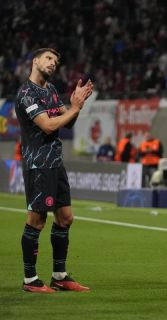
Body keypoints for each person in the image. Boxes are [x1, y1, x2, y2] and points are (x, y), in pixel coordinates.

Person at [15, 48, 93, 293]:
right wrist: (74, 108)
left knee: (65, 218)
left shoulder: (49, 90)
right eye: (48, 58)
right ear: (35, 60)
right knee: (36, 221)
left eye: (56, 61)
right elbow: (48, 126)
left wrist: (75, 105)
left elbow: (66, 120)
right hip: (38, 163)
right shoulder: (26, 94)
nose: (53, 63)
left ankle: (59, 276)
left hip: (55, 162)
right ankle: (30, 280)